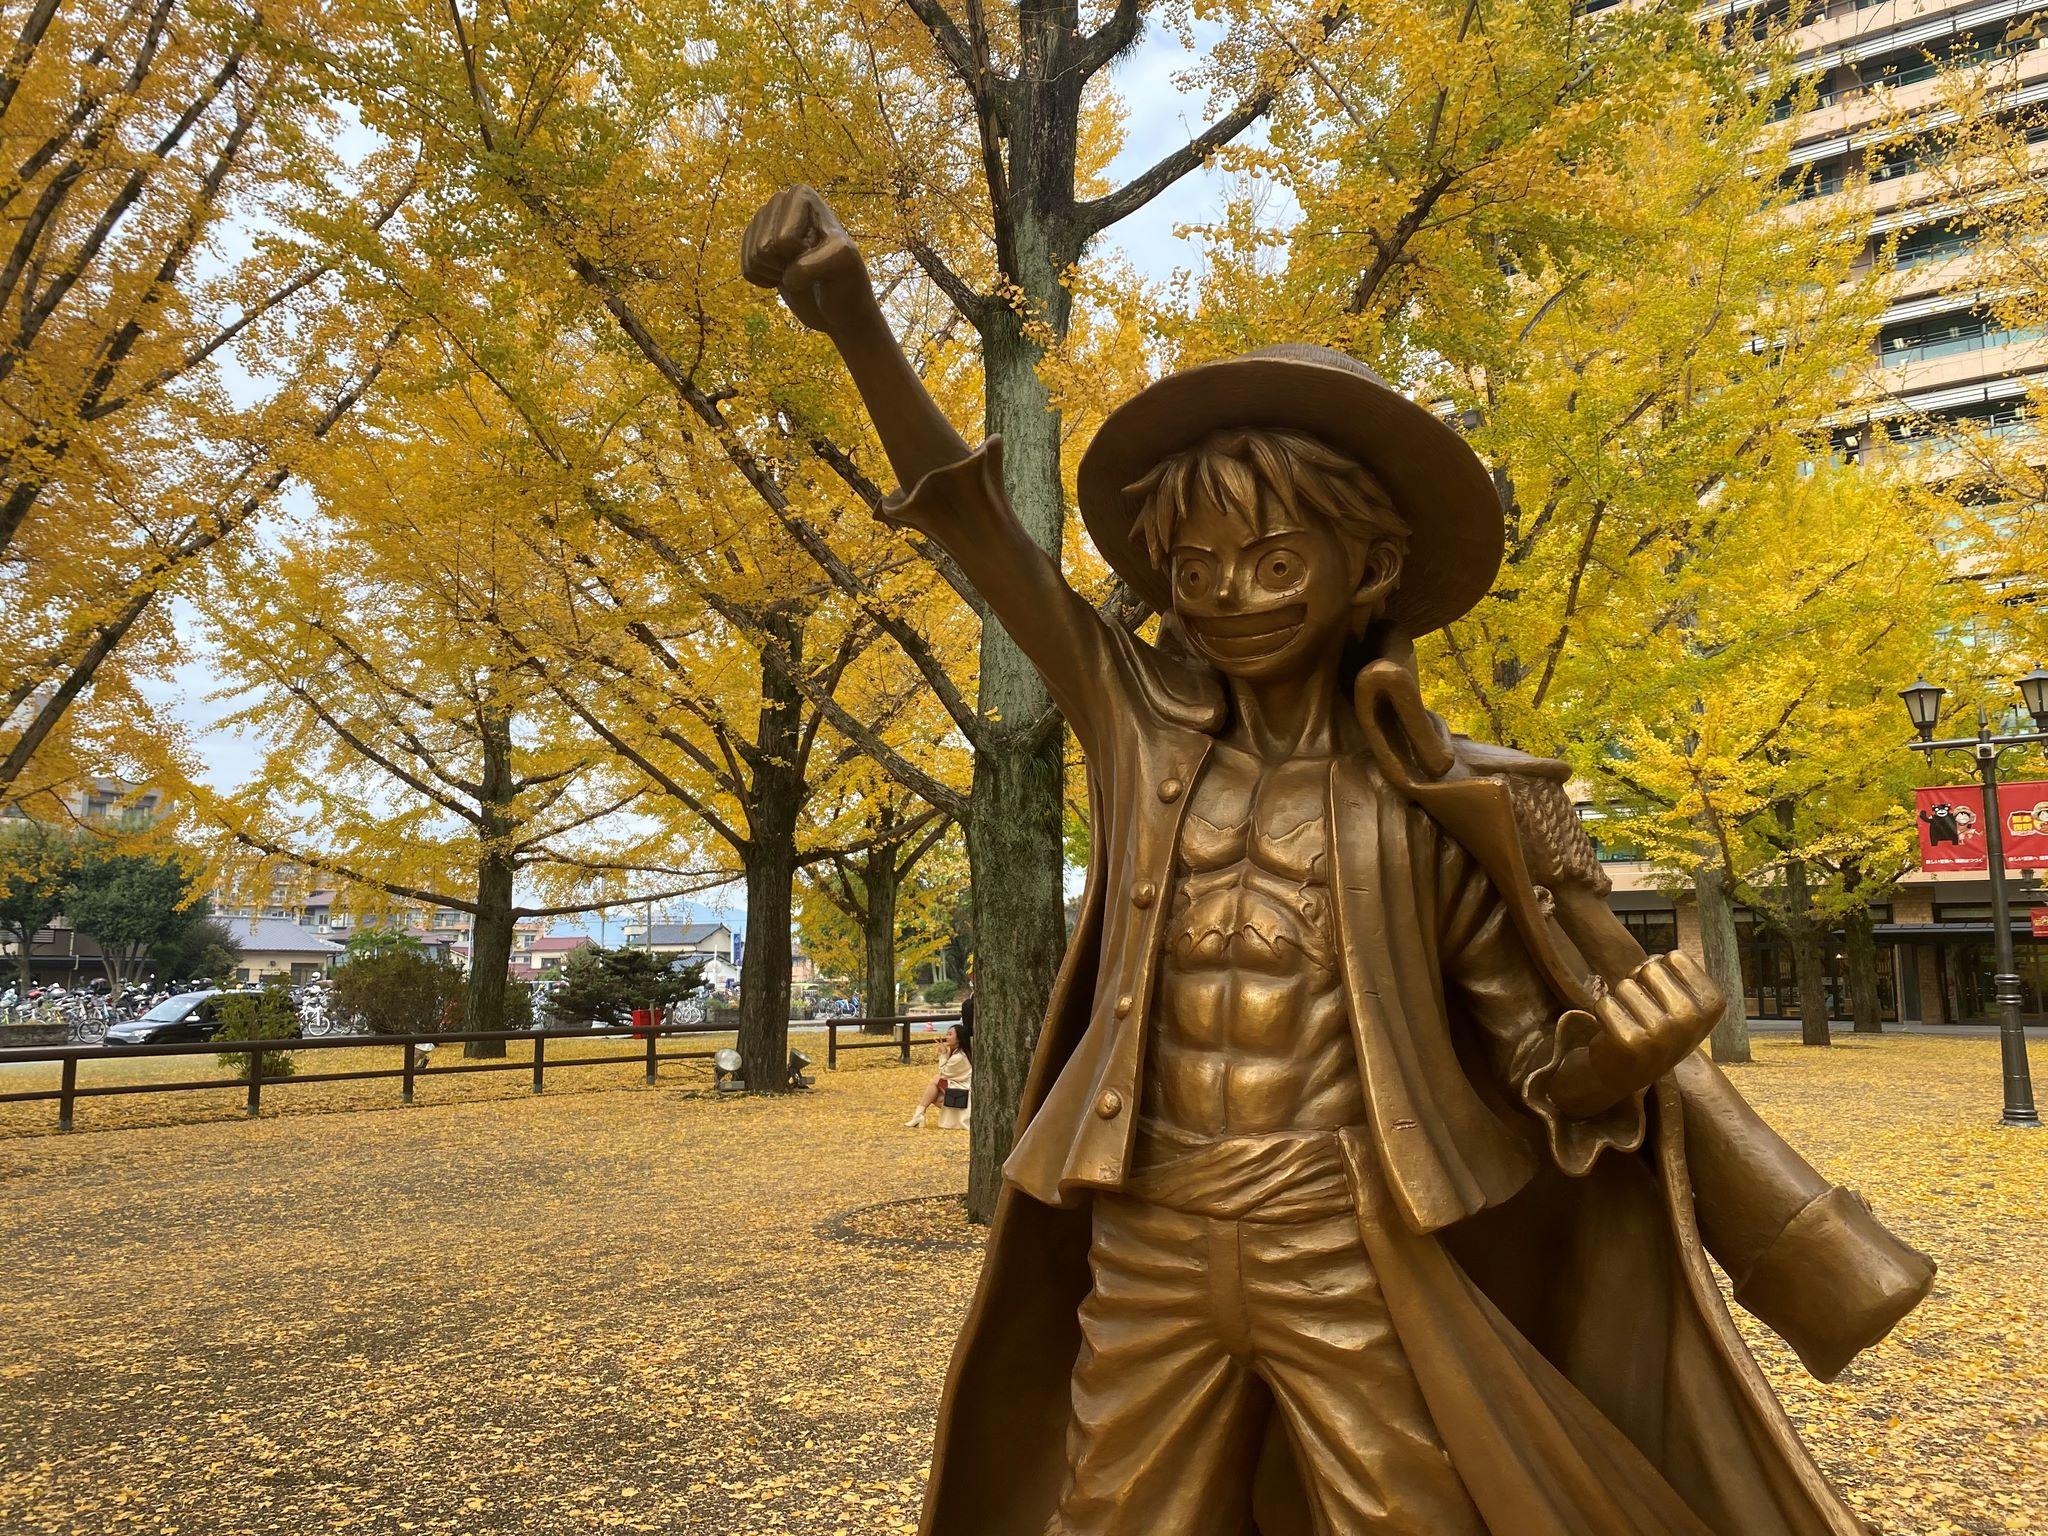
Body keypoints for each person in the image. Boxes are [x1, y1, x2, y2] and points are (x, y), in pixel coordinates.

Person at [744, 187, 1934, 1536]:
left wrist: (1613, 1060)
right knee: (1116, 1516)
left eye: (1270, 559)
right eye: (1193, 566)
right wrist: (852, 320)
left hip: (1346, 1241)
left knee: (1405, 1515)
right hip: (1152, 1231)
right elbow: (976, 533)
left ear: (1368, 569)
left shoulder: (1433, 802)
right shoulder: (1139, 729)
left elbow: (1522, 1048)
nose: (1227, 596)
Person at [906, 1020, 973, 1130]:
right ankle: (919, 1115)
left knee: (935, 1082)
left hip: (965, 1091)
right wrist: (946, 1053)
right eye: (947, 1034)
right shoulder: (957, 1053)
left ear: (959, 1039)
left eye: (950, 1034)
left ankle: (918, 1115)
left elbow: (943, 1073)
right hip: (959, 1088)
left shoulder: (959, 1056)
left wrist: (943, 1055)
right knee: (932, 1091)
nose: (947, 1037)